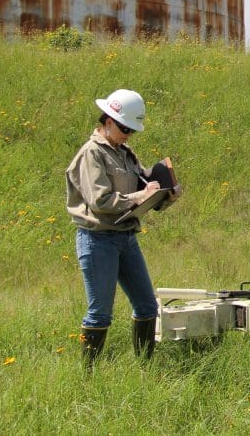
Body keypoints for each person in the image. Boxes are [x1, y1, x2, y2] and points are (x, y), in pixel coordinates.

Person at [66, 88, 171, 367]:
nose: (128, 134)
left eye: (132, 130)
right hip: (98, 239)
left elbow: (139, 182)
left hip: (126, 237)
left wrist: (162, 189)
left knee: (147, 305)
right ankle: (88, 375)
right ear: (108, 121)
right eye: (125, 128)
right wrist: (141, 196)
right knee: (100, 313)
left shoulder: (124, 152)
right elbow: (100, 201)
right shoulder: (92, 154)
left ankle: (146, 369)